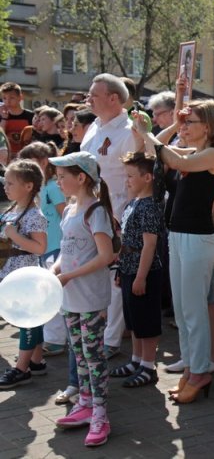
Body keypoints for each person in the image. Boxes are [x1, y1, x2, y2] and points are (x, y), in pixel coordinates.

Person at [132, 100, 214, 404]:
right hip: (178, 235)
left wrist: (148, 132)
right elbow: (158, 152)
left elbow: (172, 158)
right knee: (184, 310)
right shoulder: (191, 152)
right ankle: (191, 368)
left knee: (194, 310)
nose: (183, 128)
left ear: (208, 127)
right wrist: (155, 129)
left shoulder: (213, 155)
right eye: (183, 123)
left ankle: (200, 371)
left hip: (198, 239)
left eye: (189, 123)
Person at [50, 152, 116, 447]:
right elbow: (66, 250)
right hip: (70, 298)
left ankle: (101, 413)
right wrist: (55, 270)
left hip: (90, 299)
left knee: (93, 356)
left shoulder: (96, 212)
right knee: (78, 354)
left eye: (62, 176)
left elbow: (105, 256)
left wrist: (70, 275)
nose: (58, 182)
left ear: (81, 178)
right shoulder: (69, 210)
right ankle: (86, 403)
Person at [82, 73, 139, 360]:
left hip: (117, 213)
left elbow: (135, 179)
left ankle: (110, 338)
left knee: (115, 277)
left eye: (94, 95)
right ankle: (92, 328)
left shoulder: (129, 132)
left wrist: (125, 218)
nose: (88, 99)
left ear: (113, 98)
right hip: (90, 211)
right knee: (92, 270)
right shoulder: (94, 126)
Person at [109, 152, 164, 388]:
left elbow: (149, 245)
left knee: (146, 321)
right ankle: (136, 360)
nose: (127, 180)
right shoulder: (133, 203)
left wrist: (141, 277)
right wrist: (121, 270)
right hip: (129, 267)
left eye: (131, 176)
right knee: (133, 319)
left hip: (145, 271)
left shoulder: (150, 206)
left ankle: (148, 366)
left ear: (148, 177)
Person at [0, 160, 48, 389]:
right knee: (31, 319)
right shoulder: (12, 210)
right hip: (9, 274)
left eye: (11, 183)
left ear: (28, 186)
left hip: (25, 277)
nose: (5, 187)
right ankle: (36, 361)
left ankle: (21, 369)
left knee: (27, 321)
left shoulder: (34, 215)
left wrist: (14, 236)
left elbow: (40, 248)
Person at [18, 142, 67, 356]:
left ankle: (55, 340)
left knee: (52, 293)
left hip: (55, 247)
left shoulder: (54, 187)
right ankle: (50, 338)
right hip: (44, 249)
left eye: (30, 161)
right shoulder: (41, 187)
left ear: (44, 162)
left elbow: (65, 214)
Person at [0, 82, 35, 157]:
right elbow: (1, 136)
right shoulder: (1, 117)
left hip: (26, 156)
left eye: (11, 98)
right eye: (4, 98)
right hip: (6, 157)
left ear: (20, 97)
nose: (7, 101)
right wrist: (4, 118)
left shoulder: (31, 116)